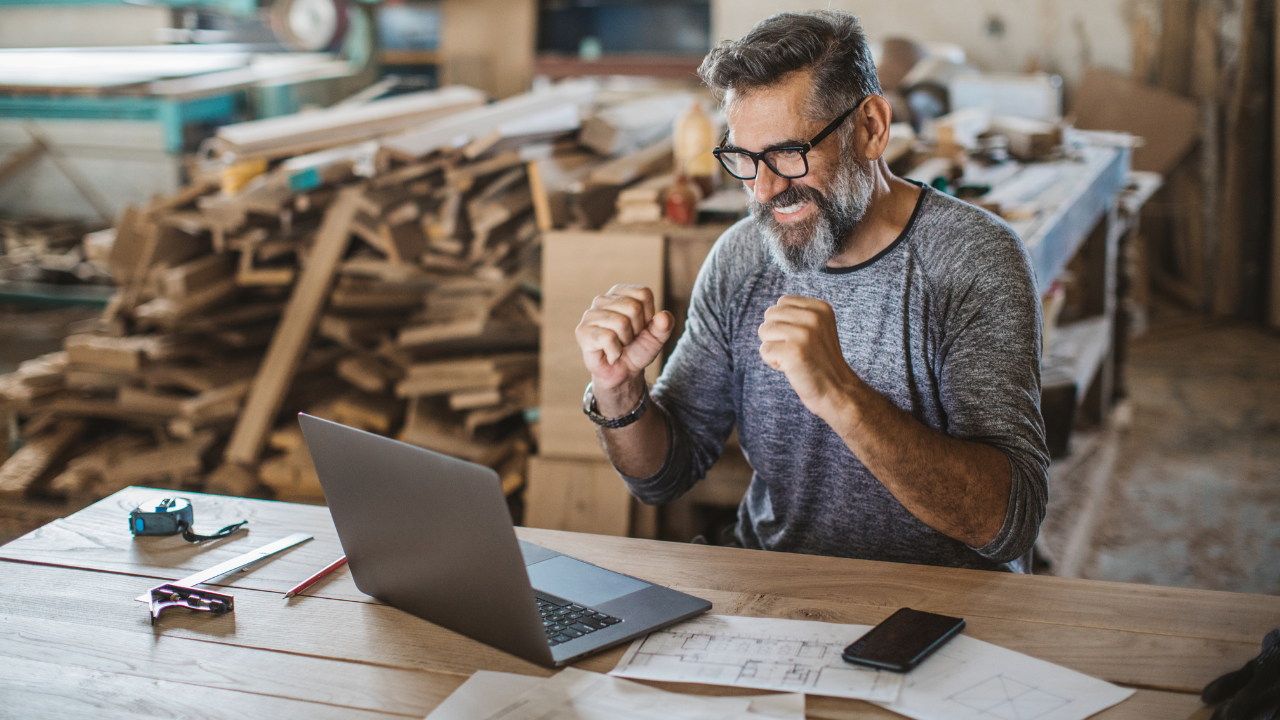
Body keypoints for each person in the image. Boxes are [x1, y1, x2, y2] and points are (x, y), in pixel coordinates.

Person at [573, 11, 1048, 572]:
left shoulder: (971, 259)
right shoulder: (741, 257)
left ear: (870, 127)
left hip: (942, 607)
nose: (766, 190)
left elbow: (1008, 522)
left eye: (788, 154)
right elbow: (664, 475)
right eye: (745, 160)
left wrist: (841, 394)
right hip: (777, 586)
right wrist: (618, 391)